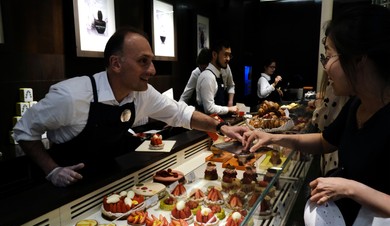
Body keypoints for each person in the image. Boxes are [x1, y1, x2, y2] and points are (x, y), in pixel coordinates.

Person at [13, 26, 248, 188]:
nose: (153, 70)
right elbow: (23, 130)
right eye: (143, 61)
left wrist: (223, 128)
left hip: (109, 182)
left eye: (151, 61)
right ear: (116, 63)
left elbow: (181, 114)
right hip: (65, 192)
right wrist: (53, 171)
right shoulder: (71, 95)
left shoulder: (140, 94)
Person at [244, 5, 390, 226]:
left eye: (329, 57)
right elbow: (324, 141)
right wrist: (275, 137)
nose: (325, 68)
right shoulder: (357, 105)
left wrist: (350, 188)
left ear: (358, 59)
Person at [308, 70, 349, 176]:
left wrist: (319, 105)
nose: (327, 66)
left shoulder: (336, 88)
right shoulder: (354, 103)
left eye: (329, 57)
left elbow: (320, 122)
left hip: (335, 161)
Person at [196, 39, 237, 115]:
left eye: (229, 55)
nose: (228, 59)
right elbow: (209, 108)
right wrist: (229, 109)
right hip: (207, 123)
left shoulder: (217, 74)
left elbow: (231, 85)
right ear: (214, 55)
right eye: (225, 55)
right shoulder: (208, 77)